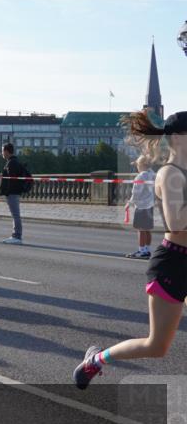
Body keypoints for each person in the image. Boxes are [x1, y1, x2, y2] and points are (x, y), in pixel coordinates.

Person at [73, 110, 186, 389]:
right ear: (177, 138)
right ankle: (96, 360)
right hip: (173, 264)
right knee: (156, 345)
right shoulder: (169, 174)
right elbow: (176, 221)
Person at [125, 155, 157, 259]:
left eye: (137, 165)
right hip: (150, 205)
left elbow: (136, 193)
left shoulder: (140, 176)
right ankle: (147, 250)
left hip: (141, 206)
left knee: (140, 229)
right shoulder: (152, 174)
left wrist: (129, 203)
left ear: (141, 165)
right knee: (147, 229)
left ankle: (141, 251)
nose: (137, 167)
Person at [0, 142, 25, 244]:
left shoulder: (11, 163)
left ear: (6, 151)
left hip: (12, 193)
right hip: (14, 192)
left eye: (2, 151)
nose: (1, 153)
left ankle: (17, 236)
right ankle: (16, 235)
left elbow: (12, 180)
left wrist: (7, 191)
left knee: (15, 215)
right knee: (15, 214)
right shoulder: (13, 161)